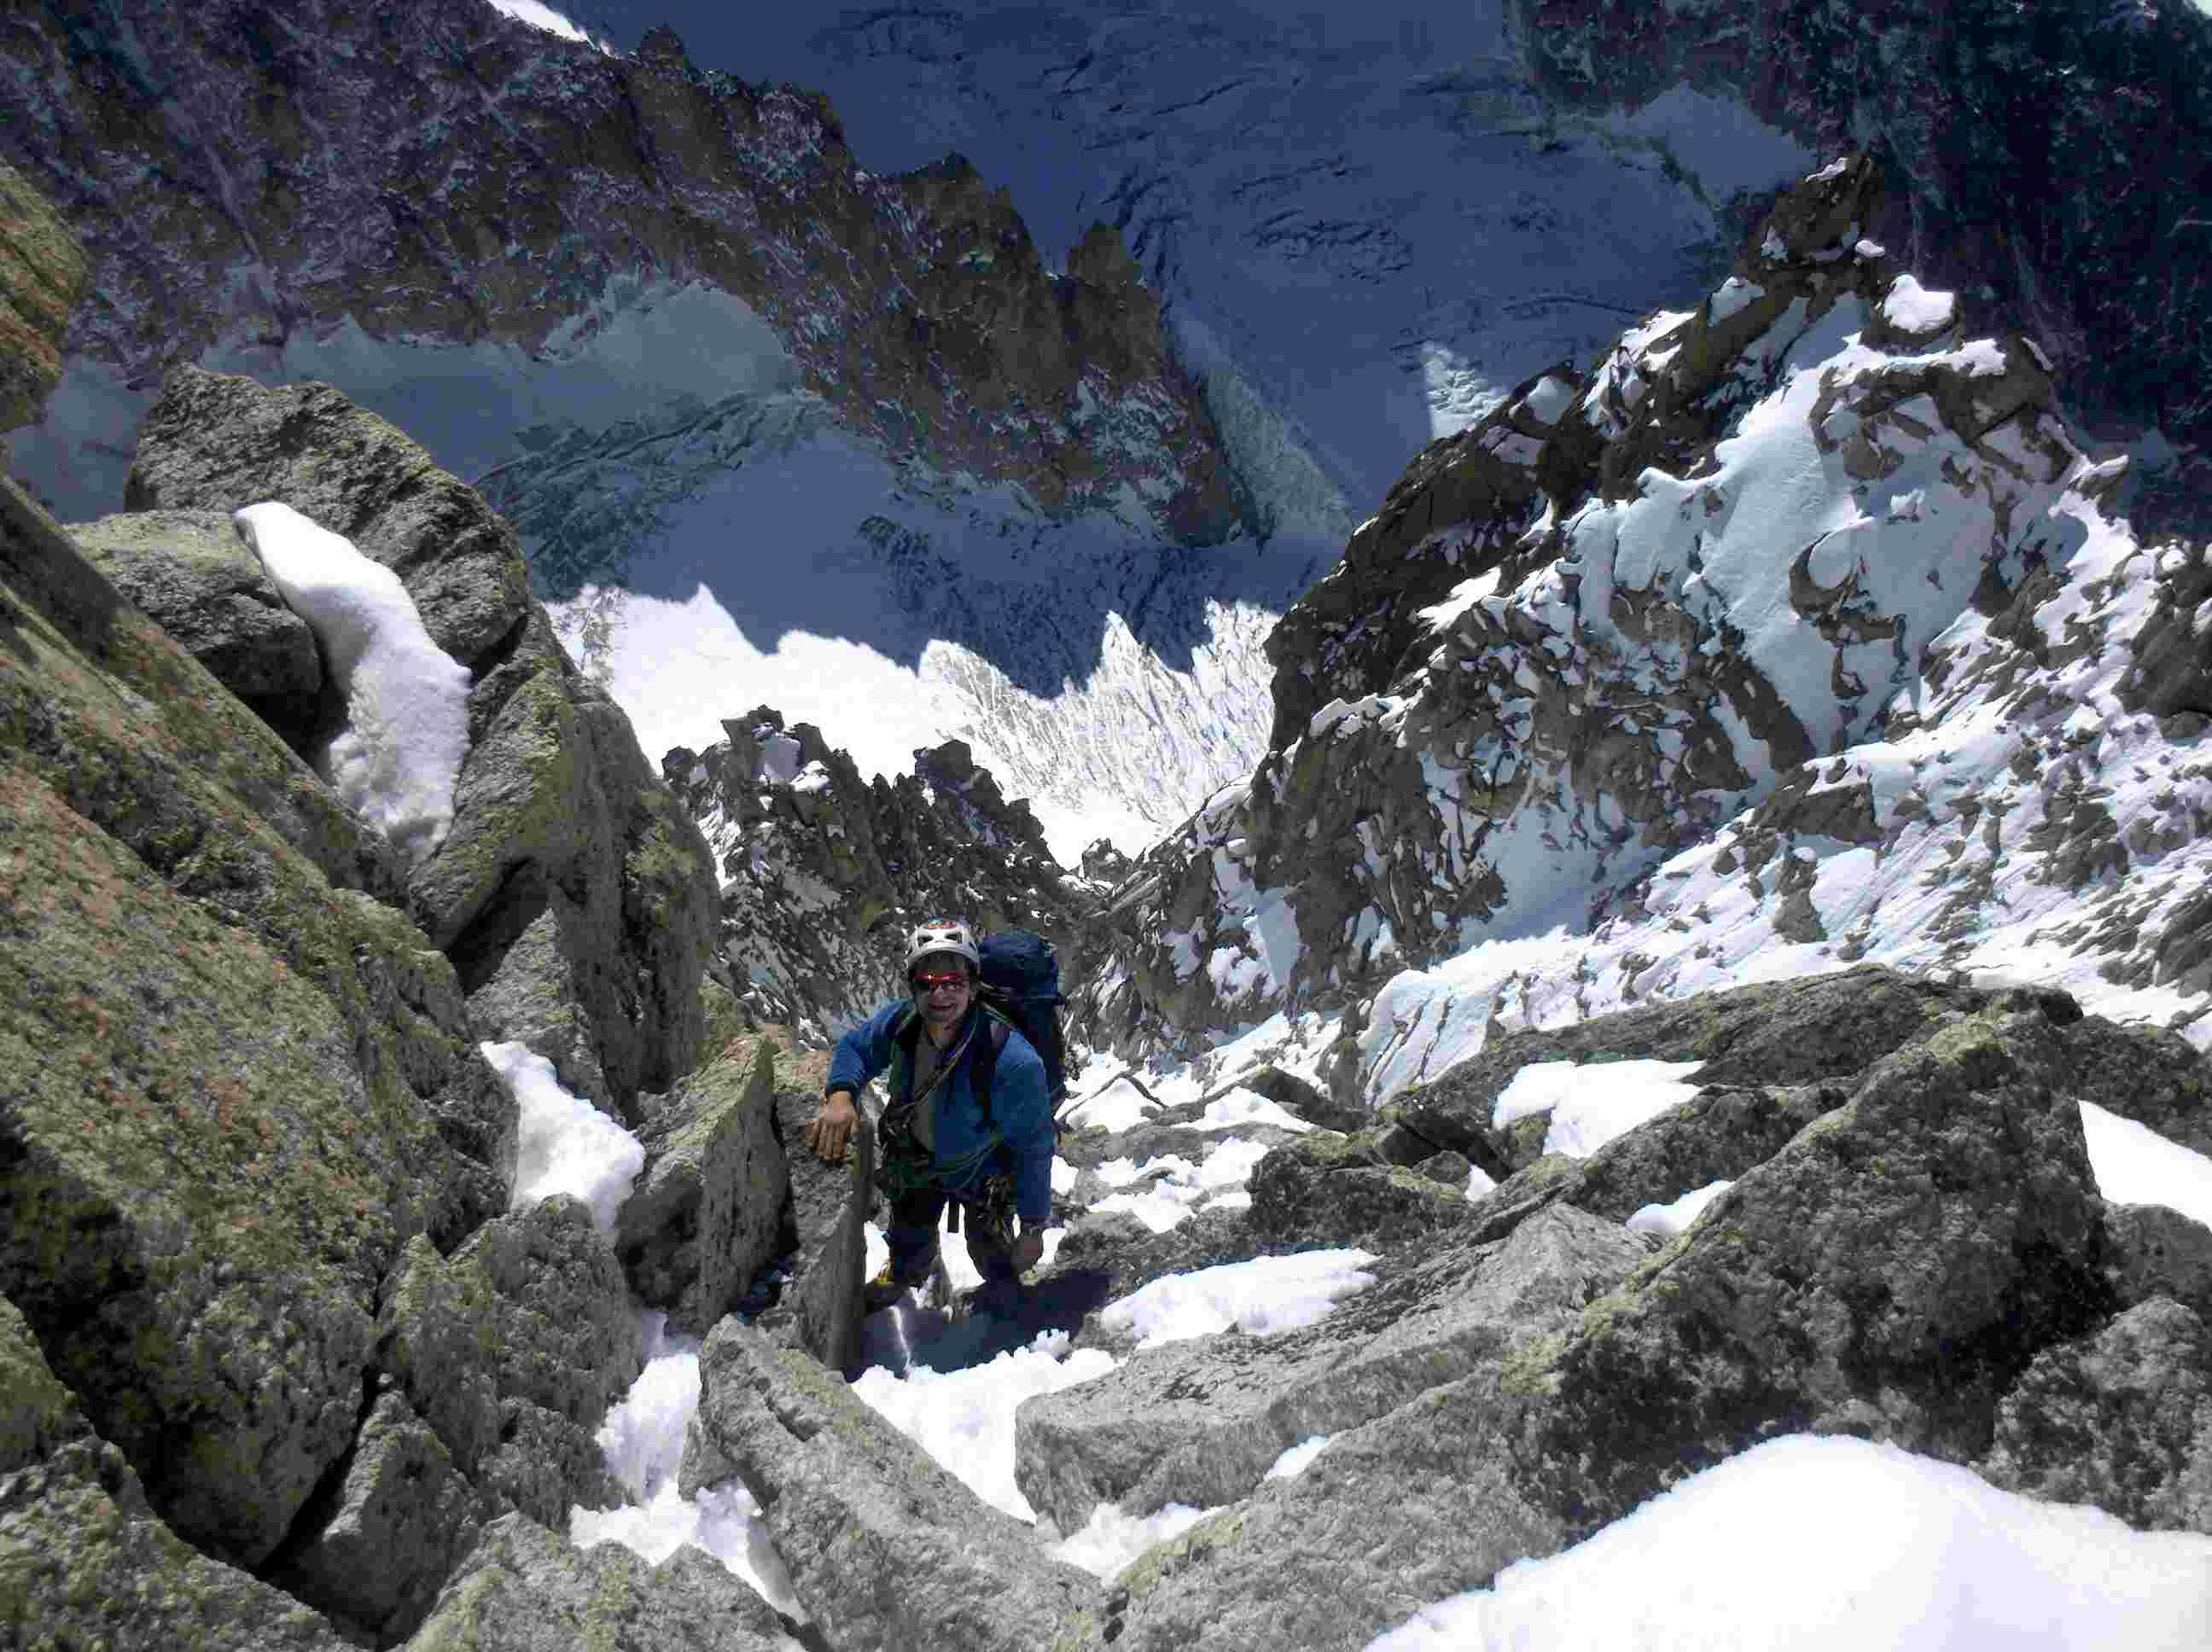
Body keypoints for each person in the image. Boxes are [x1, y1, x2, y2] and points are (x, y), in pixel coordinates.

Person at [806, 917, 1056, 1310]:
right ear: (913, 987)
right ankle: (906, 1273)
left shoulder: (1012, 1059)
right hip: (917, 1161)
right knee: (908, 1246)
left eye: (954, 982)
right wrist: (840, 1097)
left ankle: (1001, 1303)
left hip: (983, 1170)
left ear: (974, 987)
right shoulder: (903, 1022)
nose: (940, 993)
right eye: (927, 982)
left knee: (993, 1258)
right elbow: (856, 1046)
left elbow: (1034, 1148)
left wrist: (1034, 1227)